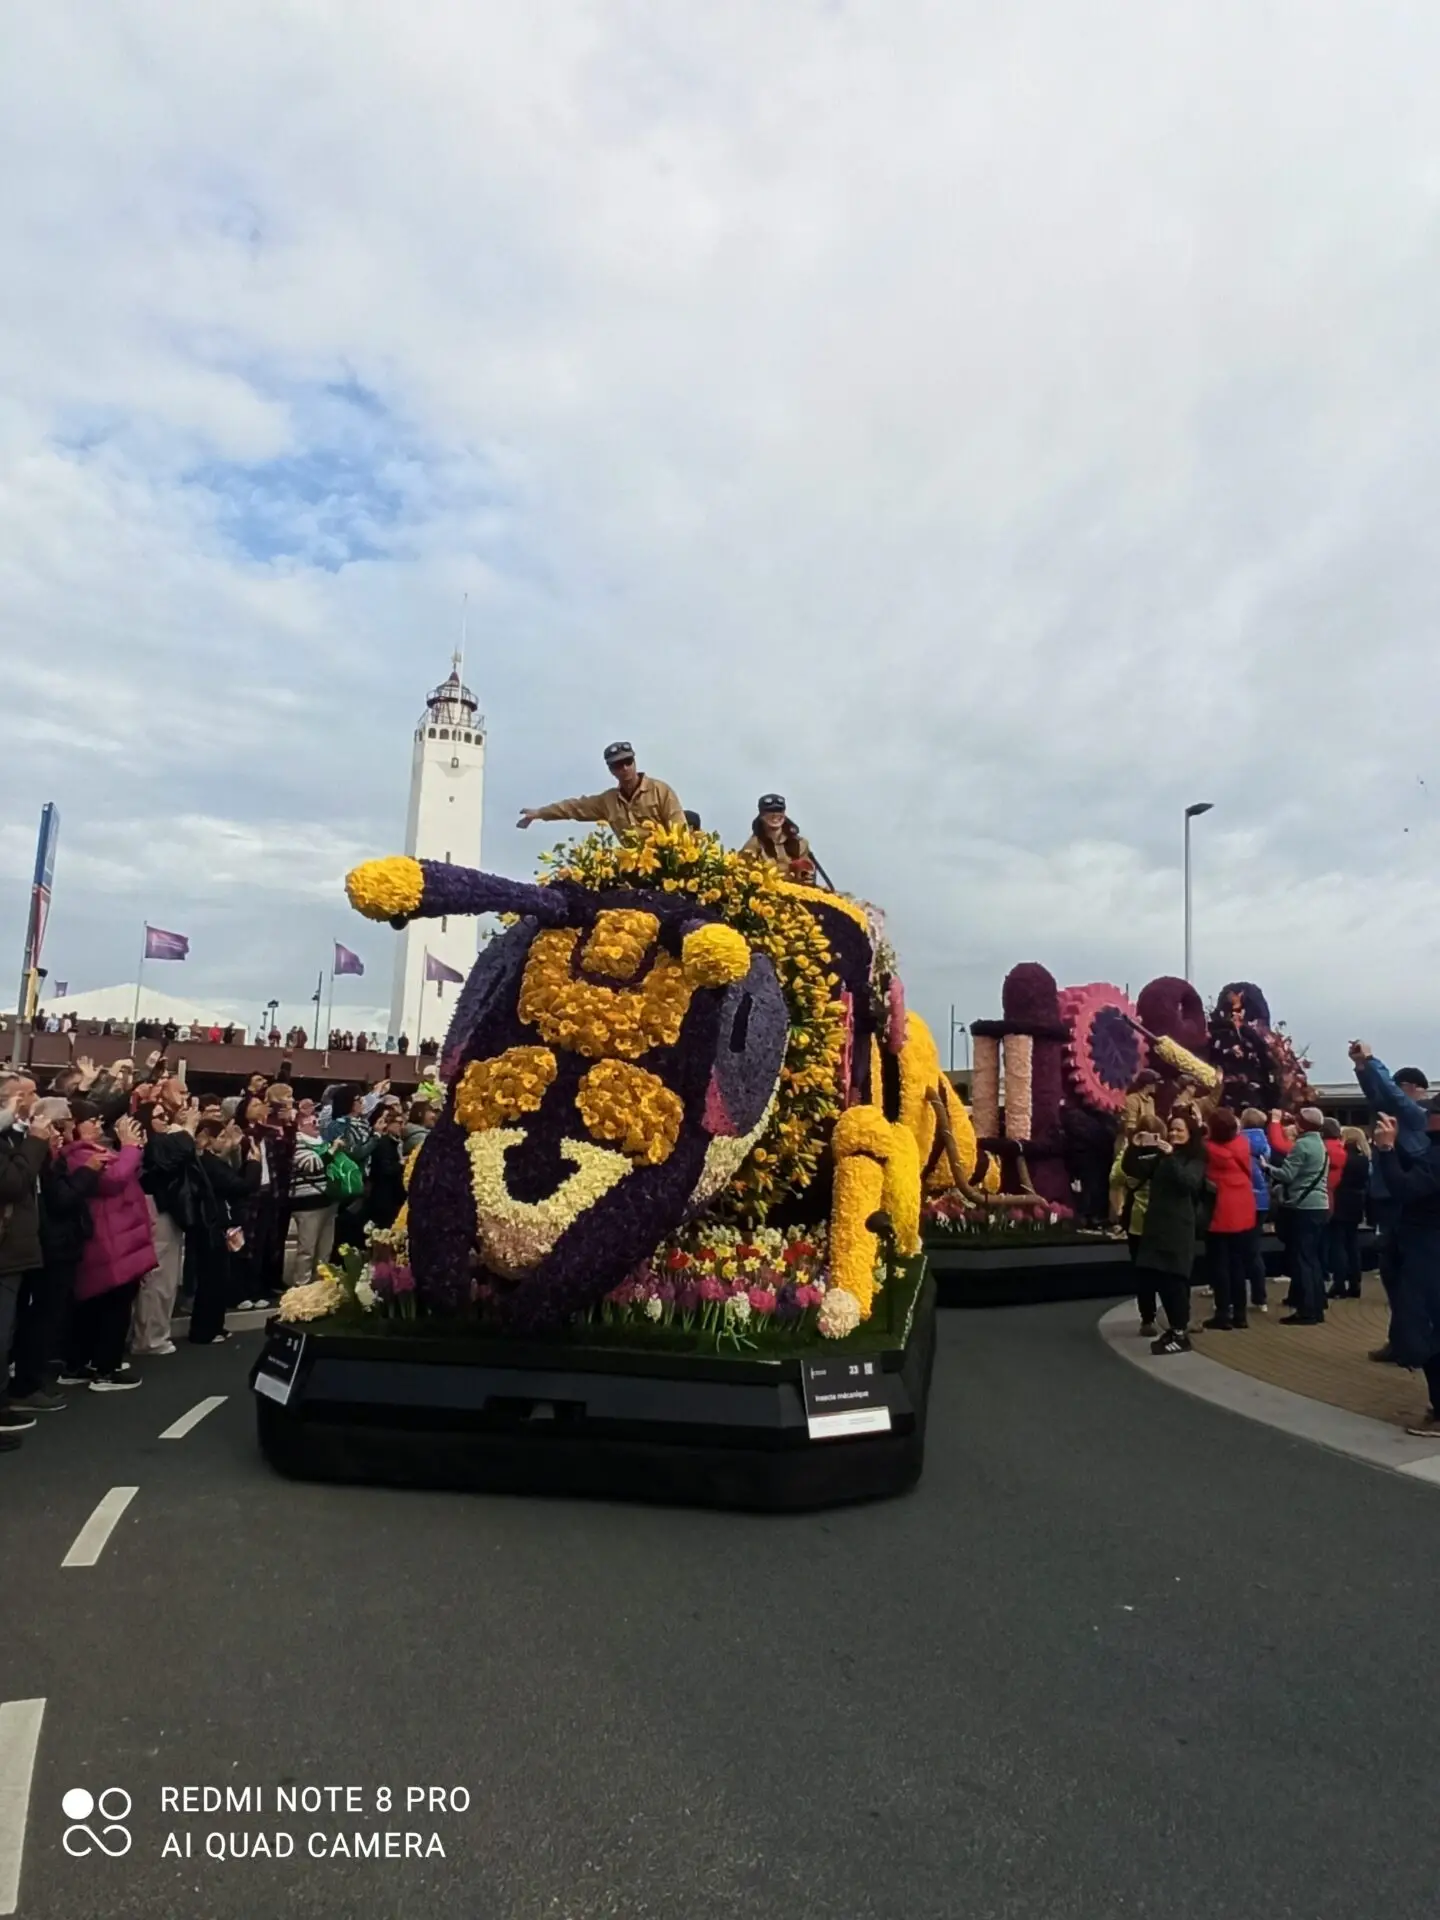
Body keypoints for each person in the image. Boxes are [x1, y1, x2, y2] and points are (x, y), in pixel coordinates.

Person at [7, 1099, 97, 1413]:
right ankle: (26, 1384)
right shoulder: (37, 1158)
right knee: (39, 1319)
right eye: (57, 1125)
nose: (63, 1131)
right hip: (49, 1246)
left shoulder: (51, 1156)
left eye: (65, 1124)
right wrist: (87, 1172)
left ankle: (33, 1378)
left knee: (47, 1317)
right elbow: (59, 1199)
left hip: (58, 1244)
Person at [59, 1106, 153, 1390]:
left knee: (99, 1303)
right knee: (114, 1303)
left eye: (100, 1120)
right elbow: (113, 1180)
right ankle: (106, 1369)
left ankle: (82, 1364)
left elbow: (127, 1172)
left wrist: (133, 1149)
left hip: (117, 1234)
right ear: (75, 1125)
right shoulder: (78, 1154)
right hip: (108, 1236)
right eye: (92, 1120)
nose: (99, 1125)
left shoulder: (95, 1149)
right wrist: (130, 1148)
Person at [1350, 1041, 1429, 1363]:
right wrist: (1361, 1068)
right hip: (1391, 1205)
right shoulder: (1401, 1118)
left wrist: (1371, 1061)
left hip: (1406, 1208)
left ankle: (1413, 1344)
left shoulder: (1417, 1116)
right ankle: (1401, 1341)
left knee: (1409, 1281)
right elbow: (1379, 1097)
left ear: (1412, 1089)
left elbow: (1390, 1095)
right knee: (1393, 1275)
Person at [1371, 1102, 1440, 1436]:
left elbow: (1406, 1188)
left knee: (1426, 1330)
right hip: (1426, 1250)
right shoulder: (1432, 1155)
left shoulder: (1436, 1157)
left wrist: (1386, 1150)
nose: (1427, 1117)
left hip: (1428, 1254)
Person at [1123, 1110, 1210, 1353]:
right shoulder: (1160, 1156)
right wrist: (1135, 1146)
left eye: (1179, 1130)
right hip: (1156, 1227)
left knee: (1175, 1280)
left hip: (1178, 1228)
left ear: (1190, 1133)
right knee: (1158, 1278)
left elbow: (1188, 1183)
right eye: (1171, 1129)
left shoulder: (1196, 1158)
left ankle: (1180, 1332)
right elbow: (1133, 1170)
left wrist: (1170, 1157)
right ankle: (1173, 1328)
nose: (1173, 1133)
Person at [0, 1075, 53, 1445]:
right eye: (25, 1095)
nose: (33, 1101)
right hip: (5, 1250)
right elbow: (12, 1183)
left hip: (14, 1248)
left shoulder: (10, 1136)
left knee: (8, 1331)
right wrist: (35, 1141)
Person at [133, 1080, 201, 1357]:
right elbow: (176, 1154)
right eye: (159, 1117)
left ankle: (151, 1334)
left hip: (162, 1209)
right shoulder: (152, 1145)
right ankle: (150, 1338)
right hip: (156, 1209)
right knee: (158, 1276)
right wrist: (188, 1129)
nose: (164, 1121)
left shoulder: (161, 1141)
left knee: (162, 1276)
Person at [188, 1119, 262, 1343]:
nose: (225, 1141)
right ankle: (204, 1331)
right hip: (211, 1225)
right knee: (211, 1280)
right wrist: (254, 1163)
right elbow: (240, 1186)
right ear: (207, 1139)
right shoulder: (207, 1163)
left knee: (219, 1278)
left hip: (218, 1222)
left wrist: (234, 1149)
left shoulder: (212, 1161)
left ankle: (215, 1326)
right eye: (221, 1137)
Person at [517, 741, 685, 838]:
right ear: (611, 770)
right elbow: (574, 807)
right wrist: (540, 813)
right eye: (618, 765)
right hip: (634, 870)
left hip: (668, 865)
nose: (625, 768)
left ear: (634, 762)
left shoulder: (660, 791)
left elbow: (680, 830)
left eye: (628, 762)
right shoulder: (608, 801)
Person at [1267, 1106, 1331, 1324]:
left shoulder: (1302, 1145)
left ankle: (1307, 1310)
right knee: (1311, 1258)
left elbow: (1287, 1175)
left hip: (1303, 1207)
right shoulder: (1320, 1144)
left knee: (1302, 1259)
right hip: (1319, 1206)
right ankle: (1317, 1305)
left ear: (1302, 1125)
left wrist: (1266, 1167)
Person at [1202, 1109, 1258, 1330]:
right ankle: (1241, 1314)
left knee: (1219, 1265)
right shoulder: (1243, 1144)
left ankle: (1223, 1312)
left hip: (1219, 1210)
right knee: (1238, 1264)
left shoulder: (1208, 1150)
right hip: (1243, 1208)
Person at [288, 1113, 338, 1286]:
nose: (317, 1125)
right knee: (307, 1249)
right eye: (312, 1122)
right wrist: (333, 1151)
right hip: (307, 1204)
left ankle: (320, 1285)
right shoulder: (297, 1143)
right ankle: (301, 1284)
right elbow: (312, 1165)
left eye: (318, 1121)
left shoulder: (322, 1142)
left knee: (325, 1249)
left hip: (328, 1201)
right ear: (300, 1126)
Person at [1328, 1127, 1370, 1301]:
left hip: (1340, 1200)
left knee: (1338, 1244)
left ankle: (1339, 1284)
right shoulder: (1364, 1159)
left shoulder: (1342, 1157)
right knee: (1352, 1244)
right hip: (1356, 1202)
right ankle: (1355, 1283)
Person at [1239, 1108, 1272, 1311]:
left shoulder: (1238, 1142)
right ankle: (1260, 1297)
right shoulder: (1265, 1145)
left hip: (1243, 1199)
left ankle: (1235, 1297)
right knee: (1254, 1249)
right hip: (1262, 1201)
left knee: (1236, 1251)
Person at [741, 795, 815, 881]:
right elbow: (744, 875)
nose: (775, 815)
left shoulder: (800, 844)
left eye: (779, 810)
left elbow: (808, 877)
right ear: (761, 815)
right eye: (769, 811)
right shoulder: (753, 845)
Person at [366, 1104, 408, 1229]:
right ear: (389, 1124)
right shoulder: (383, 1143)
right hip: (384, 1195)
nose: (402, 1127)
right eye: (399, 1123)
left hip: (393, 1194)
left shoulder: (397, 1142)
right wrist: (401, 1163)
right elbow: (385, 1169)